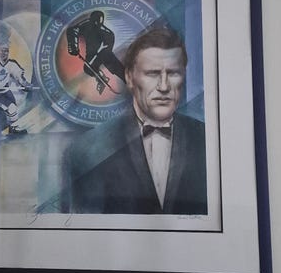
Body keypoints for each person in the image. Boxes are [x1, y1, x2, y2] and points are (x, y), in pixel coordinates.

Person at [65, 27, 207, 214]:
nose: (164, 86)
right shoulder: (87, 151)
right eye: (152, 73)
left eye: (173, 73)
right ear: (129, 78)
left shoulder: (207, 140)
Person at [66, 10, 125, 94]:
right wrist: (73, 45)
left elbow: (103, 51)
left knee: (116, 68)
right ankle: (101, 78)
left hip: (105, 53)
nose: (95, 25)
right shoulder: (86, 24)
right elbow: (72, 30)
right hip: (92, 53)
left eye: (97, 23)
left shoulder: (108, 34)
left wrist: (93, 60)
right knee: (88, 68)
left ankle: (128, 80)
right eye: (94, 22)